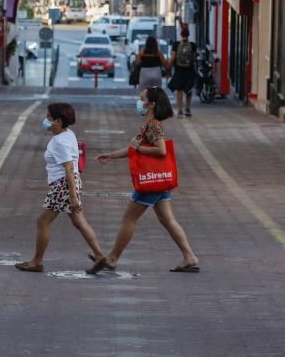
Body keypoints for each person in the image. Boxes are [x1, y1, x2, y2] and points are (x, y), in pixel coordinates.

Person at [87, 87, 199, 274]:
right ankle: (189, 257)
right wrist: (111, 155)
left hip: (150, 181)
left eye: (142, 99)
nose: (139, 102)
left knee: (129, 218)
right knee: (168, 219)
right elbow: (133, 147)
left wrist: (138, 149)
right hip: (159, 180)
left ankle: (113, 257)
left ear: (151, 104)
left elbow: (160, 150)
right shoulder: (149, 125)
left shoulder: (154, 125)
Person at [15, 103, 104, 273]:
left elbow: (69, 168)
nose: (46, 121)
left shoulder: (59, 142)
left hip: (63, 185)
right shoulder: (68, 134)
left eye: (49, 118)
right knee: (78, 221)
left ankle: (36, 261)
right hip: (69, 183)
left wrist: (72, 195)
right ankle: (99, 255)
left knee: (43, 221)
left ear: (58, 120)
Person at [168, 25, 196, 118]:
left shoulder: (176, 44)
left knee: (179, 90)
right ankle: (187, 109)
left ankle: (180, 110)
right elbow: (194, 58)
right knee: (188, 90)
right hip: (189, 70)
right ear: (188, 35)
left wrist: (168, 65)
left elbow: (173, 57)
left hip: (179, 70)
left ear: (181, 35)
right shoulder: (193, 45)